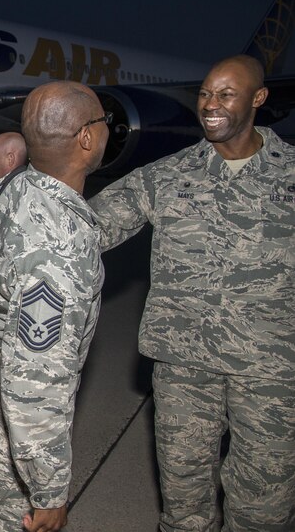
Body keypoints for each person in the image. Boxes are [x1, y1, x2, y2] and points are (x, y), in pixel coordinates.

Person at [89, 55, 295, 532]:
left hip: (271, 370)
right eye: (205, 94)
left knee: (263, 502)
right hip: (184, 366)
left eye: (226, 94)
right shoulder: (167, 176)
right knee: (183, 497)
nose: (211, 105)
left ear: (258, 99)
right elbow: (85, 229)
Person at [0, 81, 108, 532]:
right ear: (86, 138)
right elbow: (35, 378)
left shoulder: (9, 189)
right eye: (105, 122)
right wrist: (49, 488)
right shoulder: (61, 244)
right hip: (13, 426)